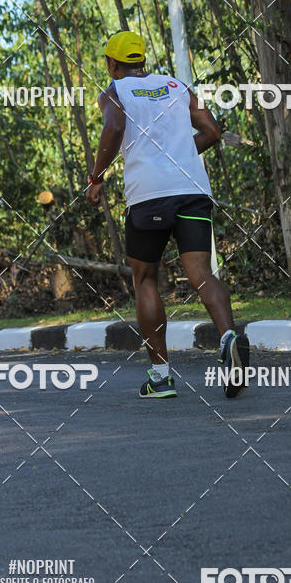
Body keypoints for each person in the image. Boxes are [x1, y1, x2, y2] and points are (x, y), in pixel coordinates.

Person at [86, 30, 249, 398]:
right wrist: (179, 156)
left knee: (145, 280)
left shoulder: (114, 92)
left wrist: (96, 178)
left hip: (149, 197)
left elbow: (113, 127)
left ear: (112, 64)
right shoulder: (177, 86)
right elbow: (211, 131)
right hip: (193, 192)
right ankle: (227, 337)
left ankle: (160, 377)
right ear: (141, 60)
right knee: (201, 273)